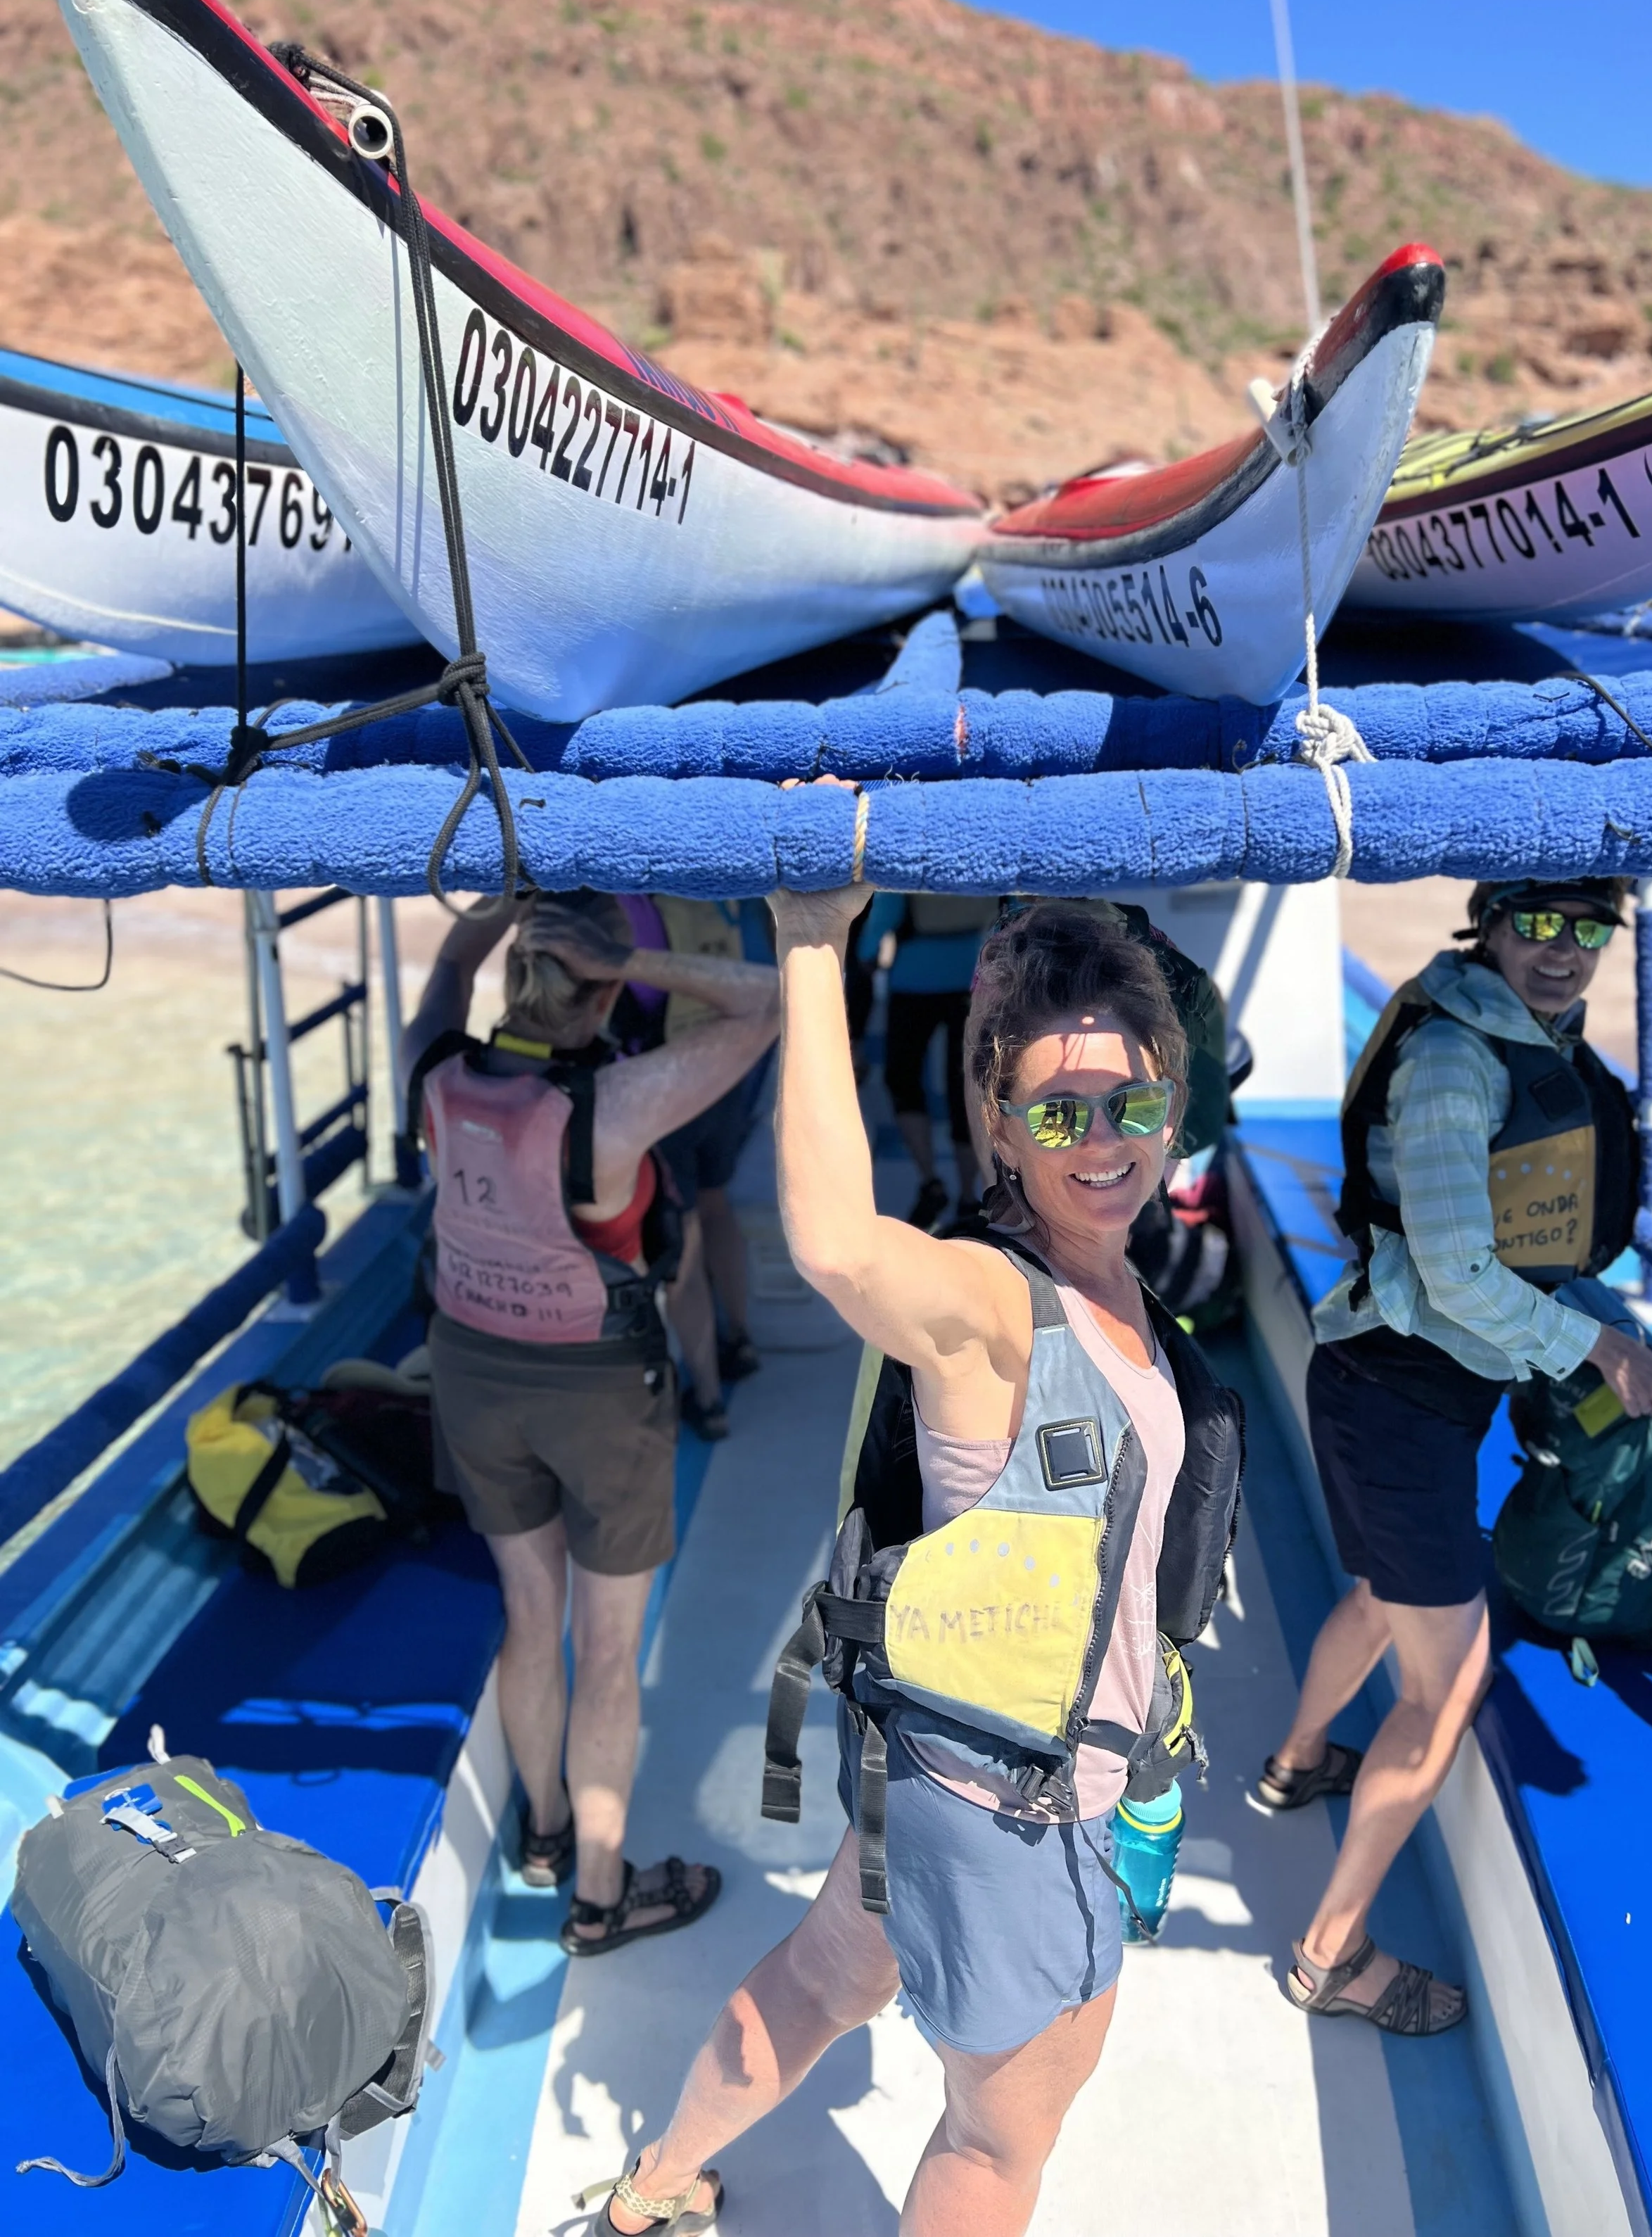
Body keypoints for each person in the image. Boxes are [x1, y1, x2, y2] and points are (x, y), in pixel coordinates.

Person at [581, 889, 1240, 2237]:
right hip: (1022, 1818)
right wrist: (811, 938)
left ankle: (650, 2188)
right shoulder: (998, 1306)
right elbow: (833, 1242)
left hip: (931, 1774)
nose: (1102, 1139)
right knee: (996, 2148)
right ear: (999, 1122)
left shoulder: (1122, 1278)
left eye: (1131, 1101)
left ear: (1174, 1100)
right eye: (1057, 1112)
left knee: (825, 1974)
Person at [1259, 877, 1652, 2035]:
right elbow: (1457, 1275)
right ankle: (1329, 1955)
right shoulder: (1456, 1061)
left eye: (1589, 929)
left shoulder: (1512, 1026)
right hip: (1400, 1396)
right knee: (1448, 1689)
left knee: (1380, 1595)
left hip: (1389, 1389)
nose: (1563, 952)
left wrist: (1587, 1327)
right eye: (1537, 924)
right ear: (1487, 920)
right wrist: (1593, 1345)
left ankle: (1296, 1763)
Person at [402, 889, 779, 1953]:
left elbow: (443, 977)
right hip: (598, 1388)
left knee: (532, 1613)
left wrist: (495, 914)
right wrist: (641, 963)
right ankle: (602, 1896)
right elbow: (772, 1007)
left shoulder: (435, 1074)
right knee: (605, 1652)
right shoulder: (610, 1107)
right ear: (602, 991)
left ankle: (543, 1836)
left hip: (472, 1369)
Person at [616, 896, 771, 1440]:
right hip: (725, 1071)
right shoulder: (717, 885)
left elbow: (638, 993)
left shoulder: (629, 898)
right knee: (715, 1201)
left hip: (669, 1081)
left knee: (679, 1237)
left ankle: (706, 1397)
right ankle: (742, 1337)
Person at [858, 893, 997, 1228]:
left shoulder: (908, 854)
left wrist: (865, 952)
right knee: (966, 1088)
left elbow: (886, 912)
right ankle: (969, 1196)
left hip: (911, 980)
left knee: (903, 1079)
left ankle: (930, 1182)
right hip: (970, 976)